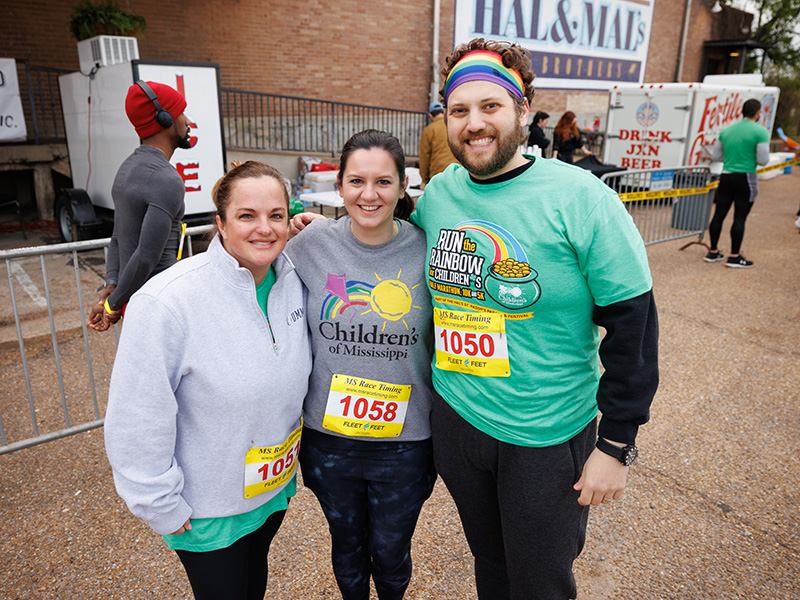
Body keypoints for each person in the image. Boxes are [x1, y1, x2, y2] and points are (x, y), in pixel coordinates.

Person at [409, 38, 659, 600]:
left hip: (544, 437)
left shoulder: (582, 198)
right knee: (491, 565)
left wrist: (617, 445)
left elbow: (634, 330)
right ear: (445, 118)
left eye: (490, 106)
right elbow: (392, 249)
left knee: (540, 583)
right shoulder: (441, 194)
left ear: (523, 111)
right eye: (459, 110)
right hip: (459, 419)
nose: (474, 124)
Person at [104, 161, 312, 600]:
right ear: (219, 223)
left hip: (269, 492)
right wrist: (158, 502)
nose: (265, 229)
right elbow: (137, 413)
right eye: (246, 216)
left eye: (276, 215)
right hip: (208, 509)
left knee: (253, 584)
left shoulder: (293, 278)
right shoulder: (167, 302)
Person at [285, 129, 436, 600]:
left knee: (391, 551)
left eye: (382, 183)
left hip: (405, 443)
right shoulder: (309, 245)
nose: (368, 195)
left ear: (402, 186)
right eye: (356, 182)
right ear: (340, 185)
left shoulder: (429, 249)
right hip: (331, 443)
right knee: (346, 545)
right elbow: (243, 269)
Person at [88, 80, 192, 331]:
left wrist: (112, 283)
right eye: (181, 113)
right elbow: (147, 255)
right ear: (165, 119)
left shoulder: (127, 169)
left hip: (139, 303)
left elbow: (118, 237)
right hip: (163, 305)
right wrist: (112, 305)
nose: (187, 121)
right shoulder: (165, 178)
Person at [704, 98, 770, 268]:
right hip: (746, 176)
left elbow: (717, 156)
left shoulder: (727, 131)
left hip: (725, 175)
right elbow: (763, 160)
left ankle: (713, 252)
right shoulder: (760, 131)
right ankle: (734, 256)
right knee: (739, 217)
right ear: (758, 113)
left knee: (719, 214)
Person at [418, 101, 459, 189]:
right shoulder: (454, 126)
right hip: (458, 172)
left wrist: (424, 180)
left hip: (437, 174)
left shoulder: (428, 130)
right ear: (444, 112)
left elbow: (424, 157)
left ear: (430, 115)